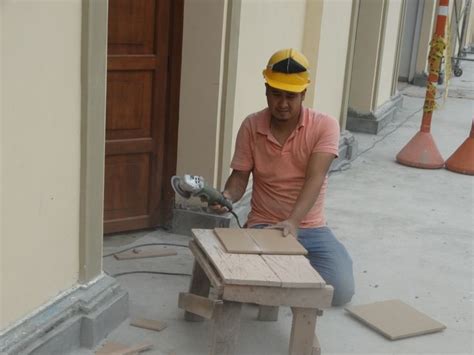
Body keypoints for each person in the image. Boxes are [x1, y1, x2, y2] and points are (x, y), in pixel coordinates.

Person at [212, 48, 354, 306]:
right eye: (276, 94)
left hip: (310, 226)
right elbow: (239, 176)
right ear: (266, 90)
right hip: (263, 224)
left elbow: (315, 178)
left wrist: (293, 221)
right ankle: (289, 267)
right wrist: (226, 197)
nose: (283, 103)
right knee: (253, 291)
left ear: (304, 94)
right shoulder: (251, 125)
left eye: (291, 96)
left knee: (341, 292)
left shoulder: (325, 125)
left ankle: (298, 263)